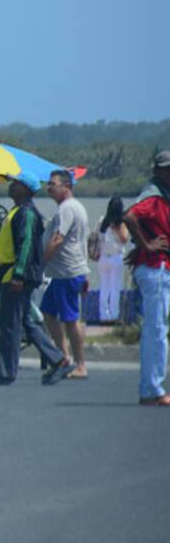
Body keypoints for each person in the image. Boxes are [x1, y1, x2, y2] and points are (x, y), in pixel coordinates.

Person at [0, 172, 75, 386]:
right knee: (26, 322)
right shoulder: (18, 211)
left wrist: (19, 275)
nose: (11, 186)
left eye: (16, 183)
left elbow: (27, 245)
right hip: (11, 272)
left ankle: (7, 373)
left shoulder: (27, 213)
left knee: (9, 325)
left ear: (26, 189)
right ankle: (58, 360)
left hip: (16, 275)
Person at [121, 150, 170, 406]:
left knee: (157, 328)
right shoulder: (154, 196)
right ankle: (152, 388)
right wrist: (146, 245)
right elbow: (129, 216)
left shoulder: (162, 196)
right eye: (167, 168)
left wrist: (141, 245)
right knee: (157, 329)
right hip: (156, 267)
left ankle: (152, 386)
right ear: (157, 171)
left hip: (157, 265)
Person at [40, 169, 92, 379]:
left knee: (70, 319)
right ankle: (64, 357)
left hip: (67, 272)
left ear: (67, 186)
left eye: (53, 184)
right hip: (61, 273)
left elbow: (58, 239)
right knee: (48, 312)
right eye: (49, 184)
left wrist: (41, 262)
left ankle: (80, 364)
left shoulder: (67, 209)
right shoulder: (70, 208)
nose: (49, 188)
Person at [95, 197, 129, 323]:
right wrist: (116, 228)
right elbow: (124, 239)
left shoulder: (102, 221)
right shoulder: (120, 223)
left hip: (103, 257)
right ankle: (114, 315)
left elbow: (97, 237)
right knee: (115, 287)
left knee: (104, 286)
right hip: (116, 257)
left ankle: (103, 314)